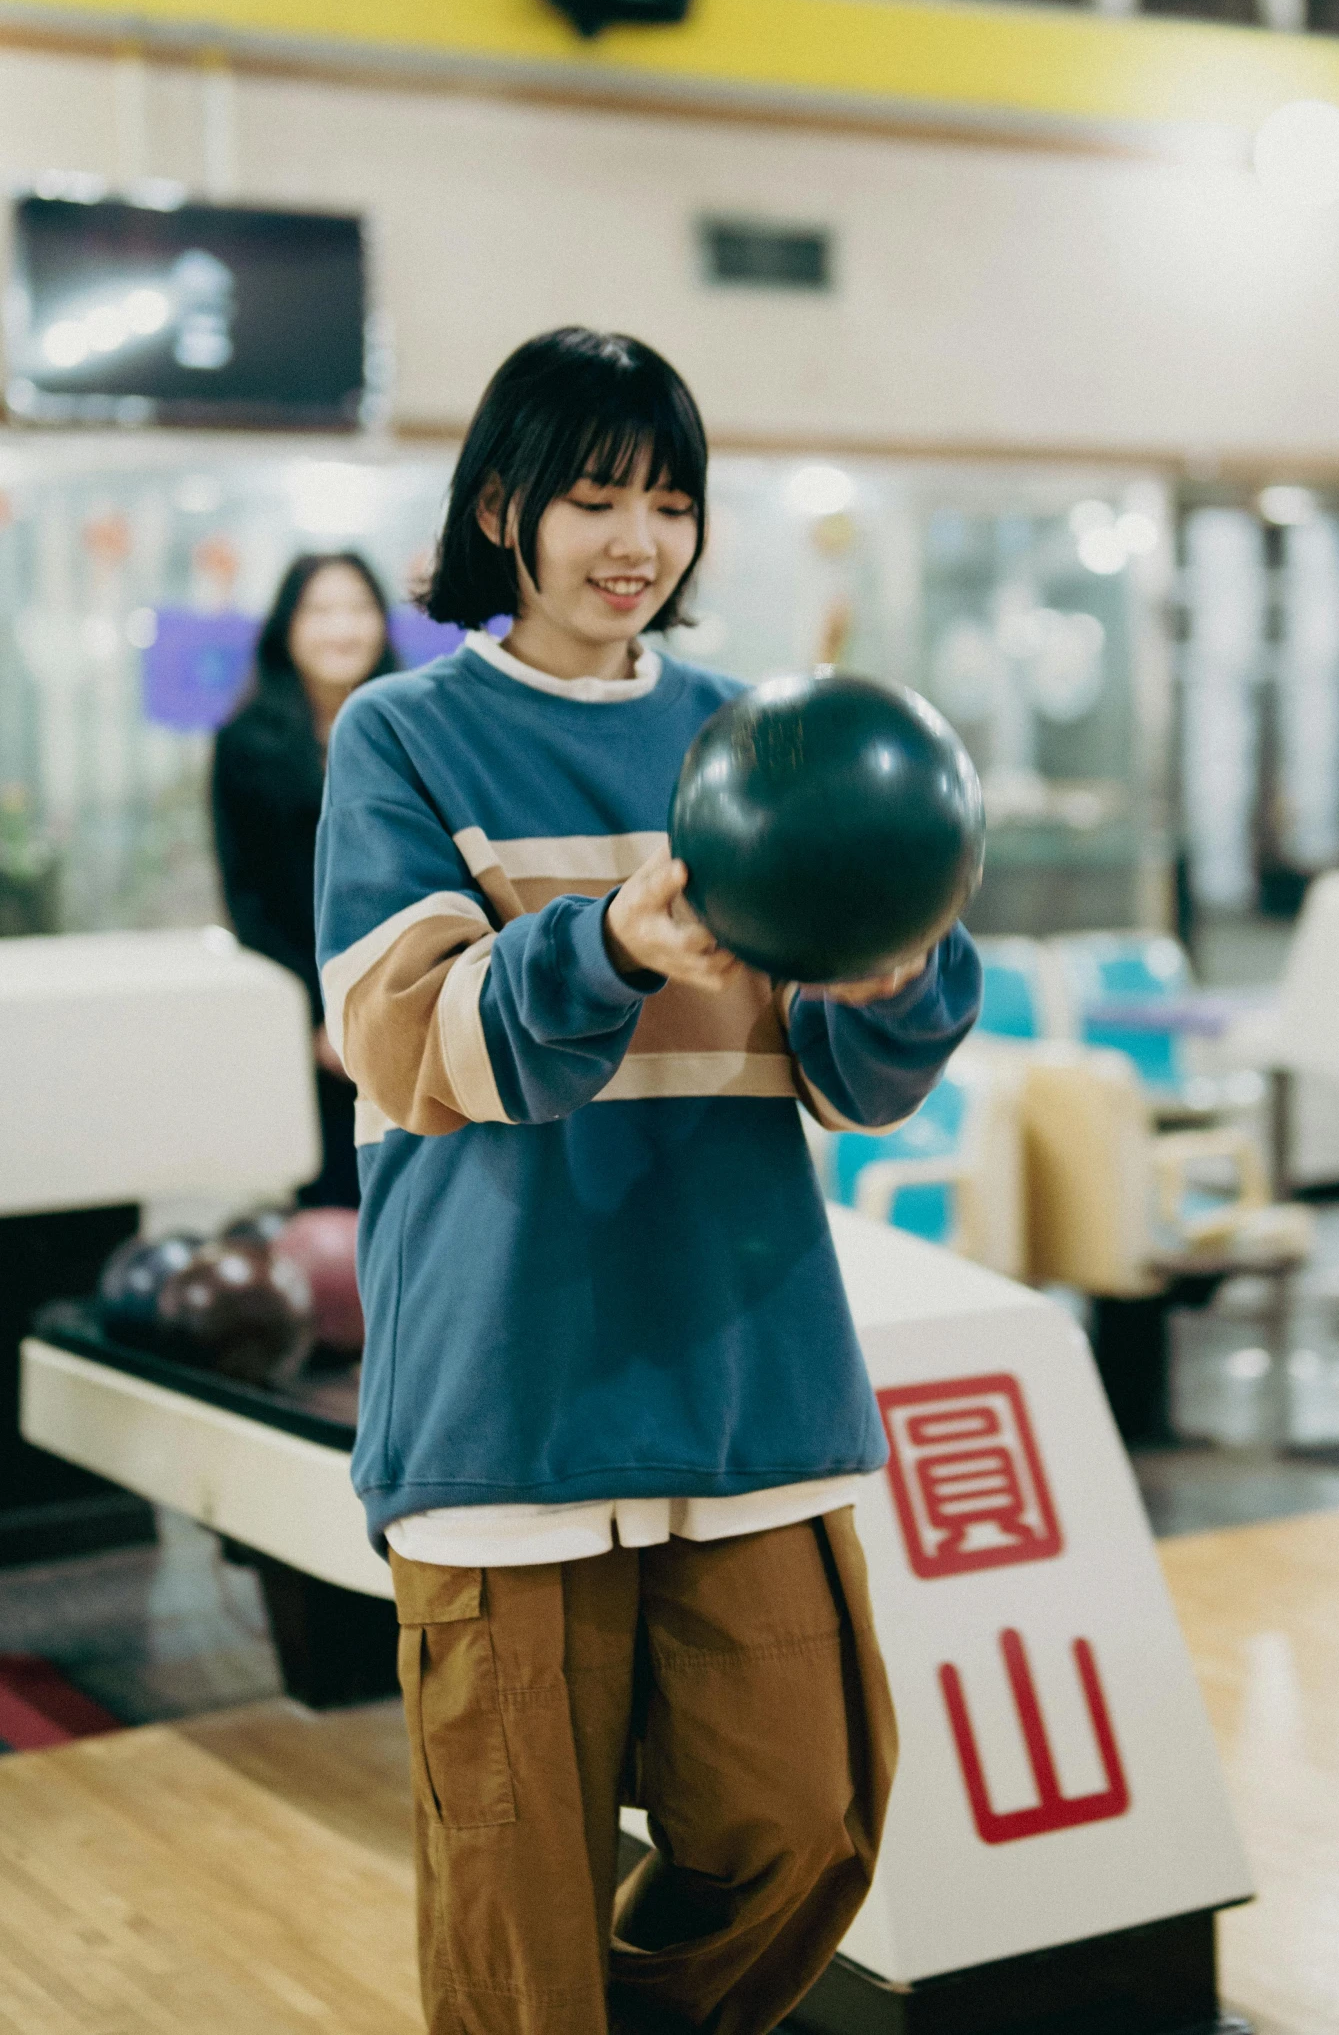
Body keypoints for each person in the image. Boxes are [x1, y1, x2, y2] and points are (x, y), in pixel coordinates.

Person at [314, 328, 981, 2035]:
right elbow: (409, 1047)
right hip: (505, 1395)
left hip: (742, 1373)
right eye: (594, 495)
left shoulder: (754, 740)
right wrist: (607, 943)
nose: (637, 539)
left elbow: (850, 1082)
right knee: (517, 1910)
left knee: (805, 1823)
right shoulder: (404, 736)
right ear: (501, 510)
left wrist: (894, 977)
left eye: (670, 500)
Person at [213, 551, 397, 1208]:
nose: (342, 628)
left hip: (411, 1007)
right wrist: (324, 1014)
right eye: (320, 611)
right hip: (309, 1029)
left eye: (358, 608)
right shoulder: (245, 745)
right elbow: (249, 900)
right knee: (333, 1212)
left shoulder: (415, 729)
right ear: (287, 627)